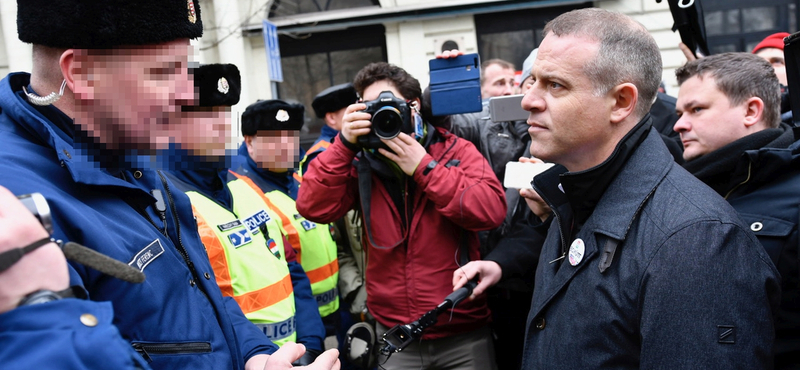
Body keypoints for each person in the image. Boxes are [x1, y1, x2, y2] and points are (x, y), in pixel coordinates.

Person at [0, 1, 338, 369]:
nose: (185, 95)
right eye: (163, 72)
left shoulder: (124, 149)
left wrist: (254, 356)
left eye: (185, 70)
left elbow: (196, 293)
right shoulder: (14, 202)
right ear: (81, 73)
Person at [454, 8, 780, 368]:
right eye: (532, 82)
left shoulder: (696, 239)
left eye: (555, 85)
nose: (529, 100)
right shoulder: (572, 198)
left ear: (621, 102)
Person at [296, 61, 506, 370]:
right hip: (396, 336)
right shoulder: (359, 162)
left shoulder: (454, 150)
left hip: (462, 332)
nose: (381, 113)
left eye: (388, 104)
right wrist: (343, 145)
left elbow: (490, 210)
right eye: (370, 107)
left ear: (414, 106)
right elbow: (313, 206)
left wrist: (424, 167)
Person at [164, 66, 326, 364]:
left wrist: (310, 345)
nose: (219, 127)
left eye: (224, 116)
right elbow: (201, 307)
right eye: (204, 116)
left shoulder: (245, 186)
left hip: (296, 355)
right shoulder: (164, 203)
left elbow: (292, 269)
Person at [674, 52, 800, 368]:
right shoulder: (678, 191)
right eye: (679, 112)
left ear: (751, 111)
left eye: (696, 110)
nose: (679, 124)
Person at [231, 98, 340, 345]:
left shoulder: (302, 177)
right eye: (273, 138)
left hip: (333, 311)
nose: (285, 145)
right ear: (249, 142)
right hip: (295, 326)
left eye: (290, 136)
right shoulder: (242, 193)